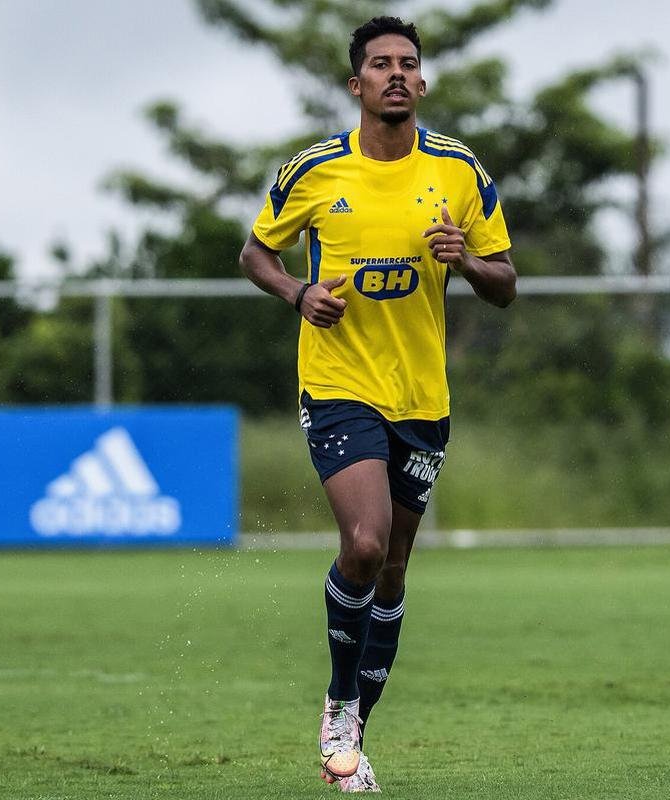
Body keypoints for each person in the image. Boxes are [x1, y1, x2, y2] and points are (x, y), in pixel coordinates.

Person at [239, 14, 517, 793]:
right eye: (380, 64)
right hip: (338, 386)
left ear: (422, 83)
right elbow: (255, 250)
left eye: (408, 63)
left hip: (422, 397)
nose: (396, 73)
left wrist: (468, 261)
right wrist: (298, 291)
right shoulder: (316, 171)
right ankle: (339, 699)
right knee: (364, 542)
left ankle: (351, 740)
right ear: (355, 84)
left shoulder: (459, 172)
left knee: (393, 570)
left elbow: (506, 285)